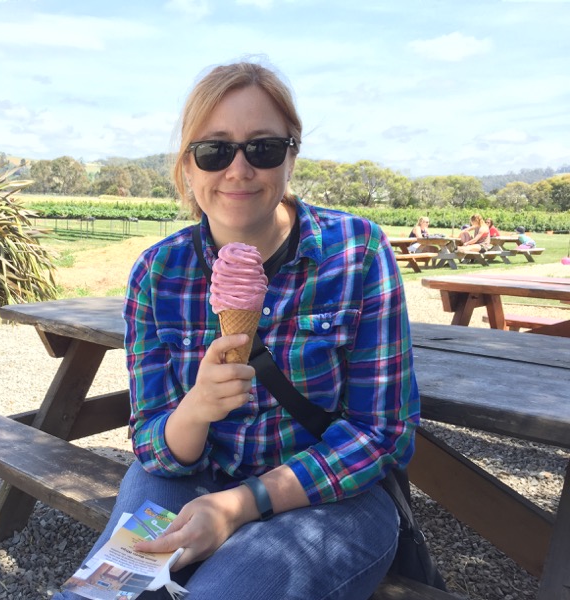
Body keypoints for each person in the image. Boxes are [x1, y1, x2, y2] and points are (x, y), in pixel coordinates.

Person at [53, 61, 418, 600]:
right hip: (190, 473)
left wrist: (239, 505)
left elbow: (382, 434)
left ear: (292, 155)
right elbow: (154, 445)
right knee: (105, 595)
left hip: (330, 493)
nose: (239, 169)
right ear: (188, 166)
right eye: (215, 150)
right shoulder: (159, 272)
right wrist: (197, 407)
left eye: (263, 148)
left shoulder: (357, 251)